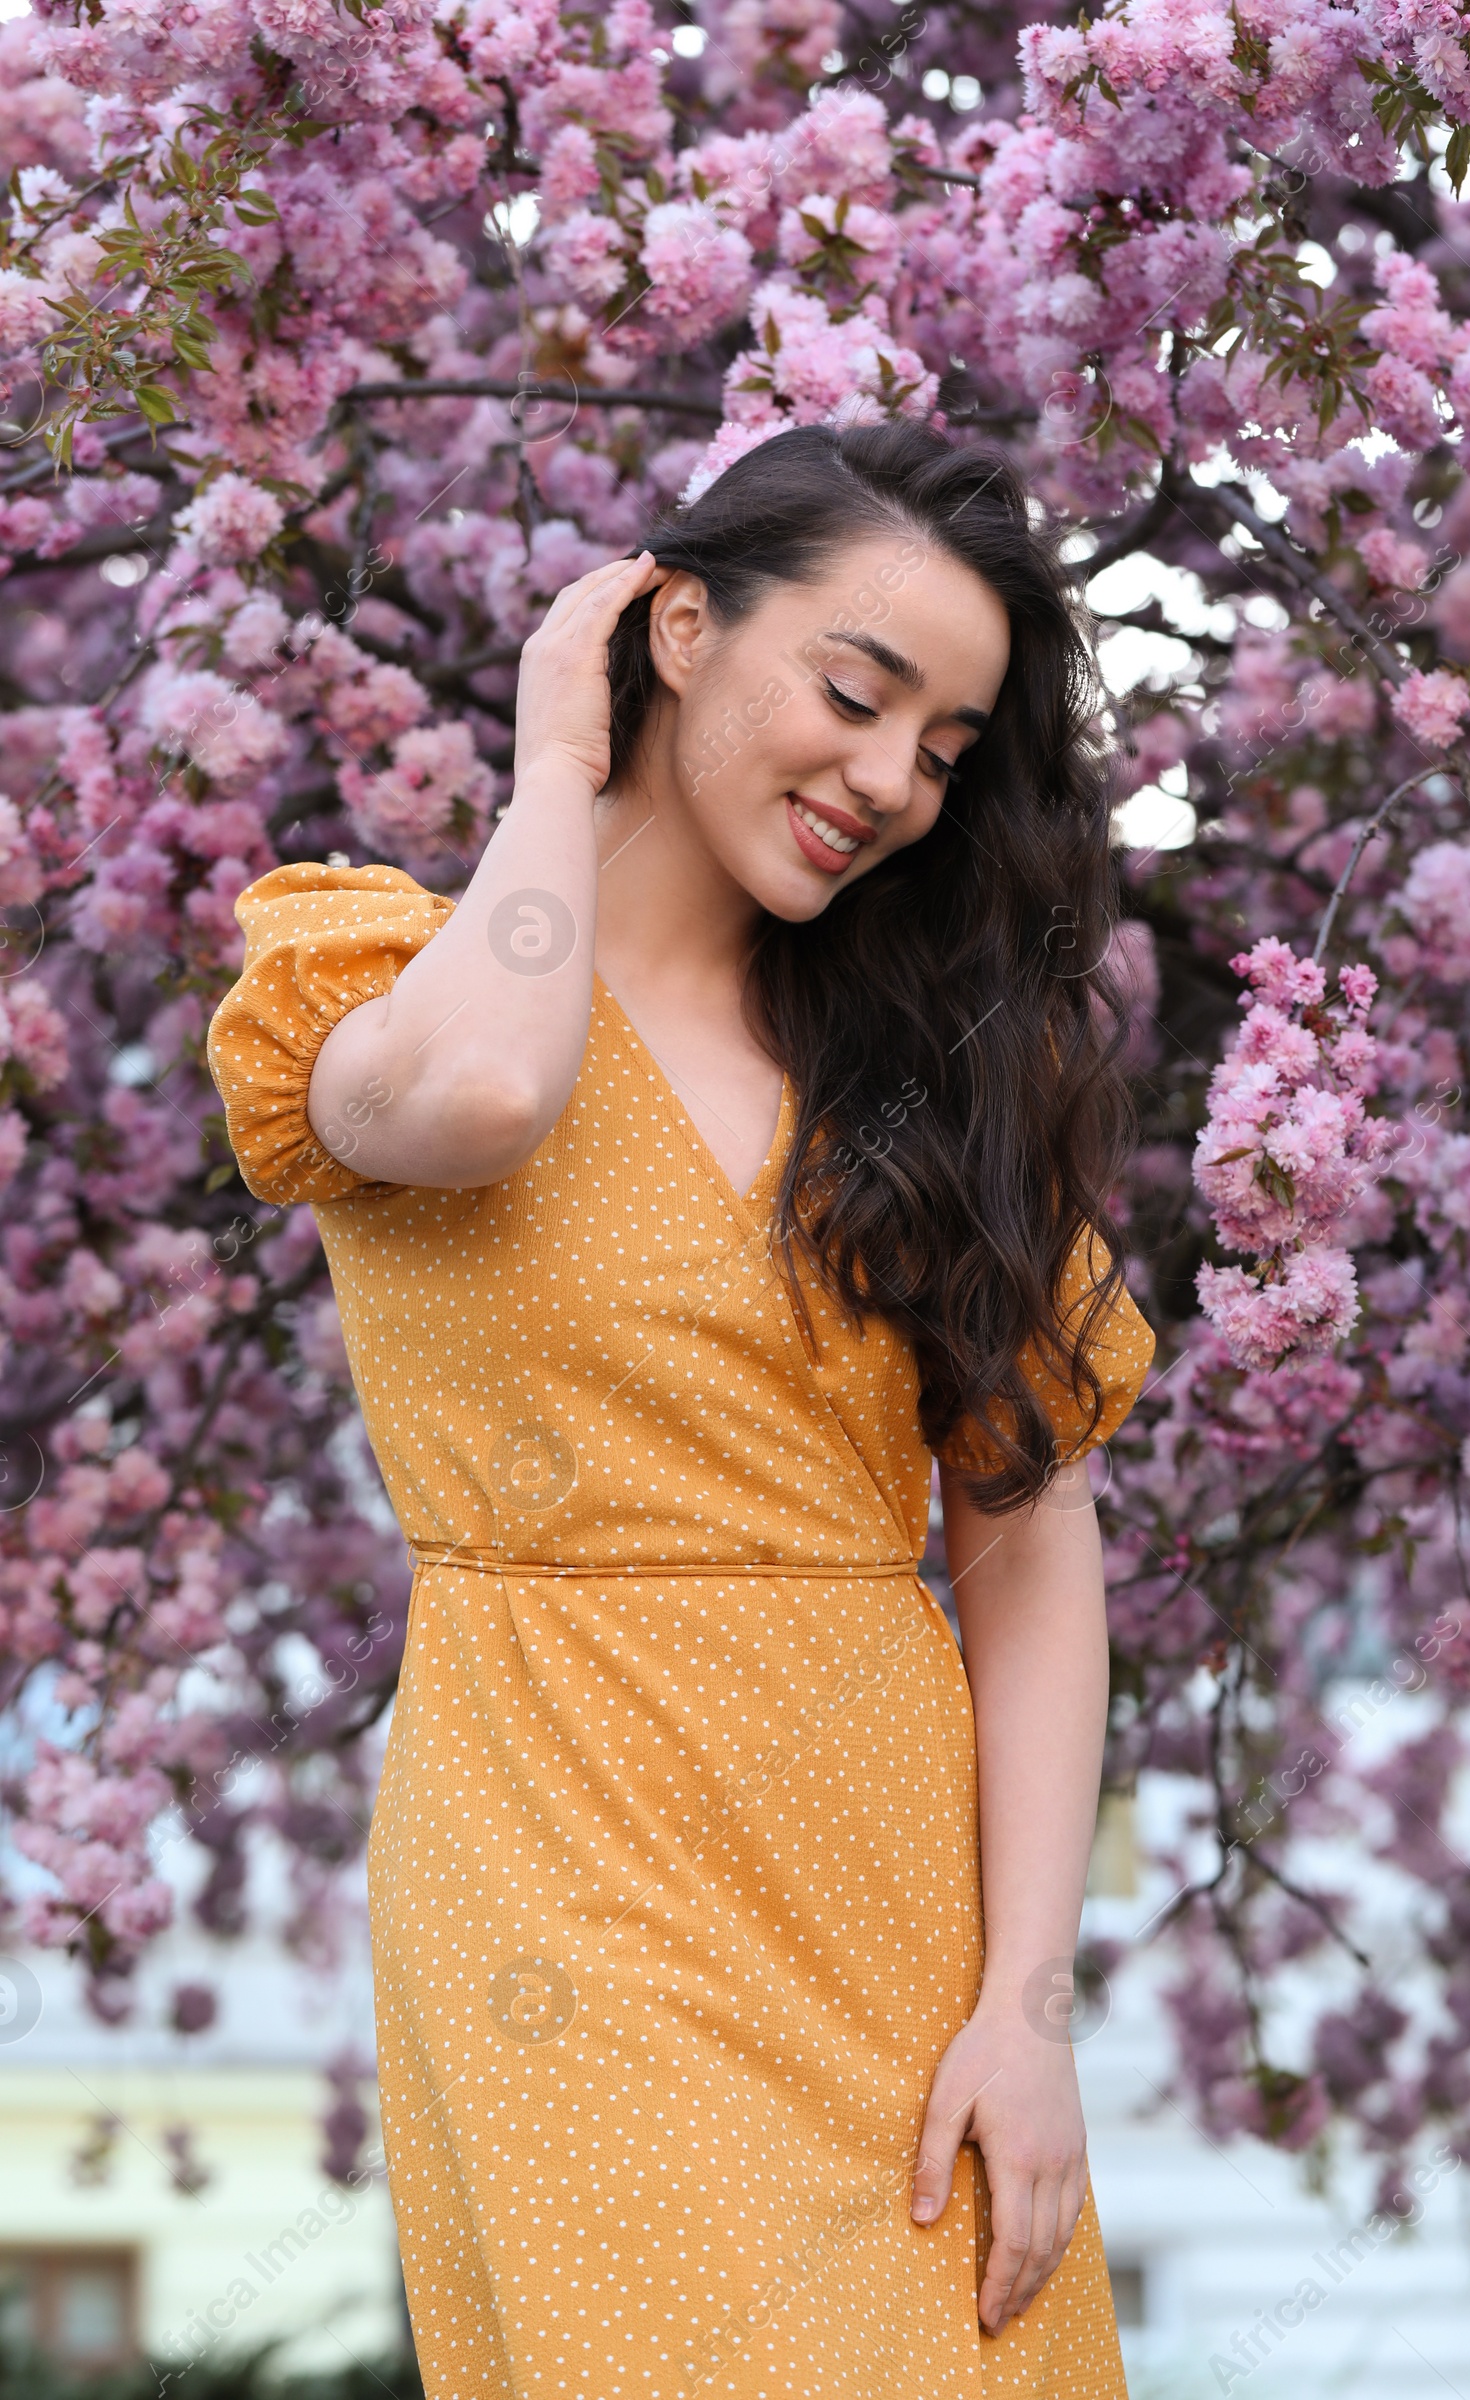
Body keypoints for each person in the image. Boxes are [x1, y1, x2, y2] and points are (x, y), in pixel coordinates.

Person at [207, 416, 1154, 2398]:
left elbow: (1028, 1552)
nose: (889, 782)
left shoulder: (929, 1082)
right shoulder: (385, 982)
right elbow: (476, 1105)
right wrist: (554, 761)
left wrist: (1026, 2010)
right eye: (853, 693)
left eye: (946, 752)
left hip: (896, 1925)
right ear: (677, 625)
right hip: (570, 1893)